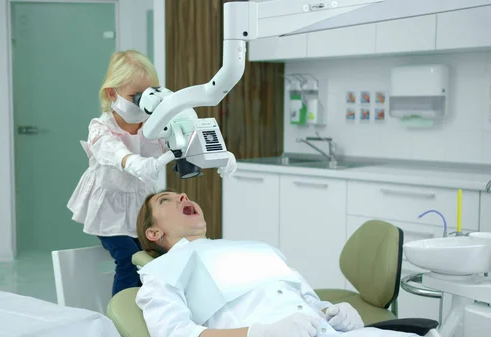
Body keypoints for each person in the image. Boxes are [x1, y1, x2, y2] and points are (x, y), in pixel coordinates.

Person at [134, 190, 421, 337]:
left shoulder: (255, 249)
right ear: (154, 233)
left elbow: (305, 297)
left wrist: (330, 311)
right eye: (166, 200)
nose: (183, 196)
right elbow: (176, 334)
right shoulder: (162, 270)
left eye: (180, 194)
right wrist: (259, 333)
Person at [67, 50, 237, 296]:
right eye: (135, 96)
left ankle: (157, 310)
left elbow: (188, 140)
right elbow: (117, 154)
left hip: (141, 204)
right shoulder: (102, 128)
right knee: (129, 259)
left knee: (158, 258)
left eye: (148, 93)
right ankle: (123, 322)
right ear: (112, 93)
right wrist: (136, 163)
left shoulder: (155, 124)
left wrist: (220, 155)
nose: (143, 102)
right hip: (109, 207)